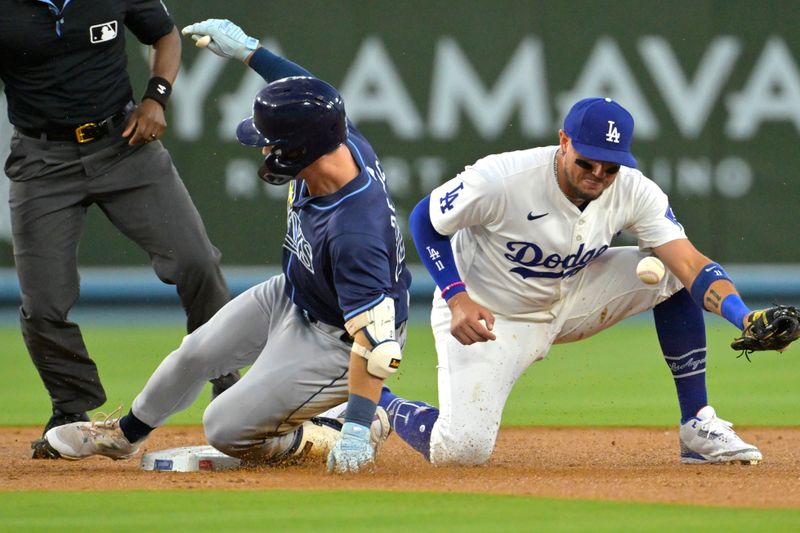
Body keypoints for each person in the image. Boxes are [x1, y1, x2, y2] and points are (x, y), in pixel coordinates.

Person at [39, 18, 412, 474]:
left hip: (340, 338)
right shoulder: (335, 135)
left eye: (270, 142)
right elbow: (309, 89)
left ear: (299, 151)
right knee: (195, 352)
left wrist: (354, 429)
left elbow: (375, 345)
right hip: (297, 292)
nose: (262, 149)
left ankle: (341, 425)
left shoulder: (356, 231)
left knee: (225, 428)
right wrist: (249, 51)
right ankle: (124, 436)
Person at [378, 97, 786, 466]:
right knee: (461, 451)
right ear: (563, 141)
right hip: (487, 315)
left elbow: (692, 264)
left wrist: (745, 317)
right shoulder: (502, 178)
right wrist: (455, 296)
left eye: (610, 167)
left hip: (573, 296)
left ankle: (697, 423)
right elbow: (425, 221)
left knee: (671, 274)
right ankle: (380, 401)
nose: (597, 174)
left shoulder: (632, 190)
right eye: (587, 161)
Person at [0, 1, 237, 457]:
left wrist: (157, 97)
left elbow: (164, 34)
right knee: (43, 301)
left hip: (126, 144)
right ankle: (70, 410)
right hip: (41, 159)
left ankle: (227, 381)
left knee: (197, 261)